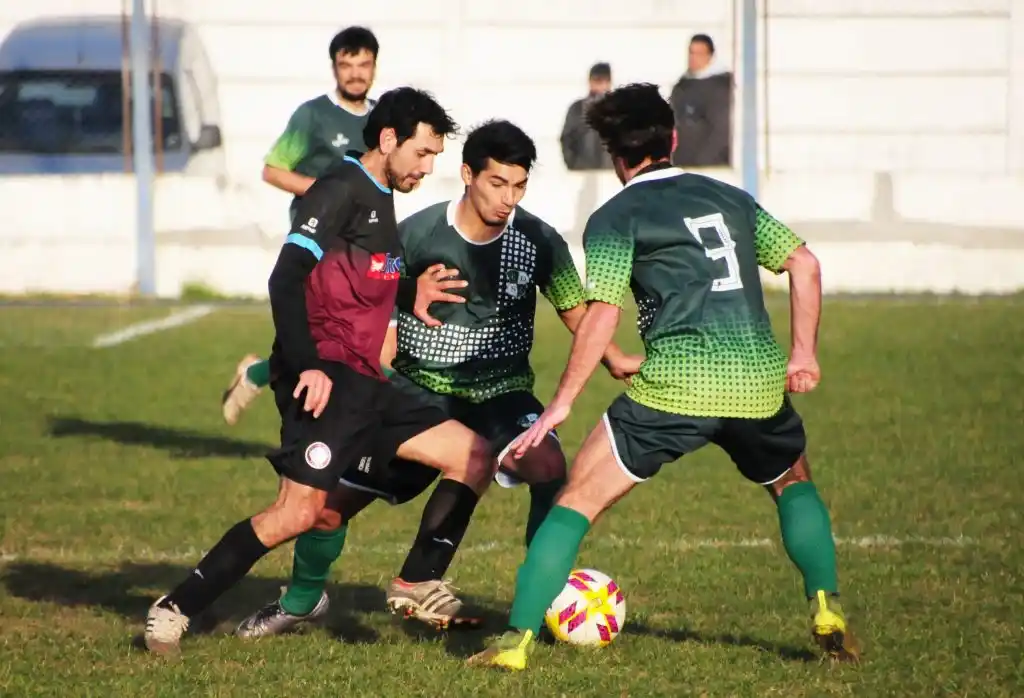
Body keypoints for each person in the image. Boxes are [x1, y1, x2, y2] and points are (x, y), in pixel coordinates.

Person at [468, 83, 859, 671]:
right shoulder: (730, 197)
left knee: (575, 500)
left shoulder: (616, 216)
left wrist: (561, 404)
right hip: (755, 382)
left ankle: (516, 643)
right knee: (791, 481)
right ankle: (826, 606)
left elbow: (603, 311)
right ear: (672, 139)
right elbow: (803, 263)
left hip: (673, 385)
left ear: (615, 156)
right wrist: (803, 354)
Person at [232, 119, 643, 638]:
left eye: (518, 186)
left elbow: (575, 310)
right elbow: (370, 301)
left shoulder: (538, 239)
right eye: (497, 183)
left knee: (545, 462)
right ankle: (300, 600)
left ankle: (532, 597)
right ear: (468, 174)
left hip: (500, 391)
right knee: (326, 511)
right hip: (416, 388)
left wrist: (612, 356)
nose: (507, 198)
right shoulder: (418, 232)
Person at [143, 87, 496, 656]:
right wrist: (308, 366)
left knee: (474, 455)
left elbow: (362, 279)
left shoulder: (380, 197)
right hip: (326, 378)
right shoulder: (339, 190)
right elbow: (285, 279)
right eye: (423, 153)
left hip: (368, 383)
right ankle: (175, 608)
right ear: (388, 141)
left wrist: (411, 292)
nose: (429, 168)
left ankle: (415, 580)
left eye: (434, 156)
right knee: (297, 513)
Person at [223, 26, 381, 424]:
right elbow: (273, 170)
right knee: (329, 338)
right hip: (319, 243)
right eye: (347, 65)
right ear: (334, 68)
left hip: (365, 244)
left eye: (363, 64)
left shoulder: (382, 119)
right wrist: (329, 192)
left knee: (357, 337)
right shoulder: (313, 115)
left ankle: (257, 375)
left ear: (375, 66)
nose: (355, 74)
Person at [669, 33, 732, 167]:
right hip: (682, 163)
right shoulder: (682, 86)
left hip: (708, 167)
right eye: (691, 53)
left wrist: (704, 161)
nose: (693, 58)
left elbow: (721, 130)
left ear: (709, 56)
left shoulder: (720, 88)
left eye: (699, 53)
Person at [559, 62, 614, 171]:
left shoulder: (617, 108)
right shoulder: (577, 108)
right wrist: (574, 164)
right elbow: (567, 138)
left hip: (611, 173)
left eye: (605, 80)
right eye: (597, 80)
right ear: (590, 82)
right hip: (583, 171)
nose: (602, 85)